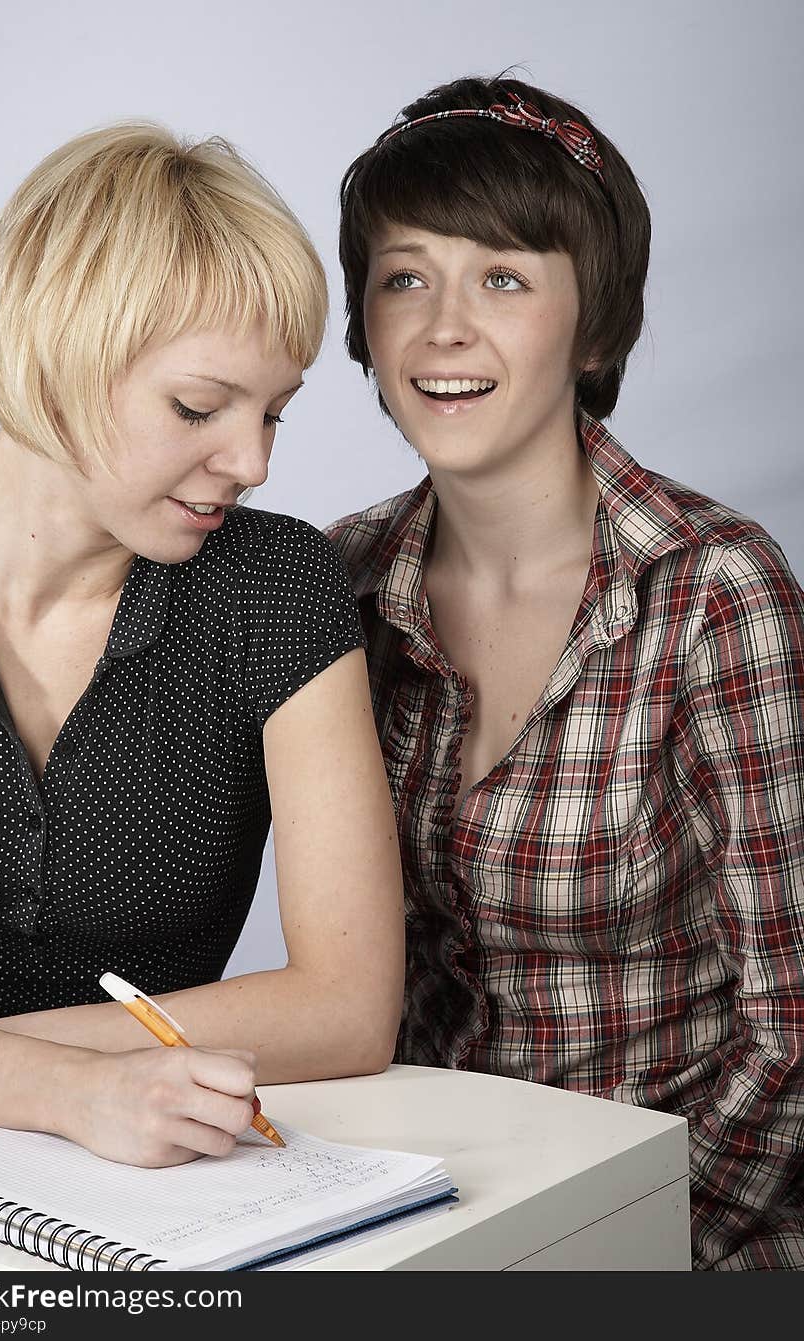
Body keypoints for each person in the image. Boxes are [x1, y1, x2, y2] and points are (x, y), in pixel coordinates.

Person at [326, 73, 804, 1270]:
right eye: (403, 276)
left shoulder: (710, 589)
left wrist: (607, 1247)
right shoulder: (334, 582)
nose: (442, 325)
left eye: (502, 277)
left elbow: (794, 1028)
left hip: (689, 1231)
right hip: (416, 1224)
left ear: (594, 328)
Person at [0, 123, 404, 1169]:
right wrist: (54, 1091)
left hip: (167, 1184)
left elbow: (349, 1008)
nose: (254, 462)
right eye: (199, 407)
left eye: (274, 413)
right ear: (56, 355)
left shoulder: (275, 588)